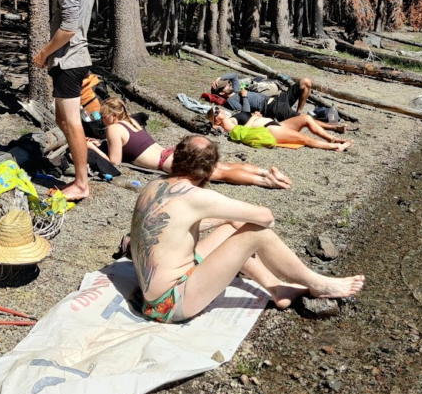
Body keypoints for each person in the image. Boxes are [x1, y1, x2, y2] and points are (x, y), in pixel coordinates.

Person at [130, 136, 364, 322]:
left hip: (152, 297)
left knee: (232, 227)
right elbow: (265, 217)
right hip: (172, 303)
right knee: (255, 232)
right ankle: (317, 283)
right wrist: (258, 226)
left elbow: (175, 229)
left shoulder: (154, 185)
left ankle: (278, 290)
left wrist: (226, 221)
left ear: (176, 157)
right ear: (211, 170)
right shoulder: (196, 196)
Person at [91, 97, 292, 189]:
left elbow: (114, 161)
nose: (102, 119)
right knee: (221, 166)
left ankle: (266, 181)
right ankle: (265, 172)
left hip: (166, 162)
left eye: (103, 115)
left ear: (110, 114)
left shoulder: (114, 128)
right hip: (169, 152)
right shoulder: (132, 121)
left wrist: (93, 148)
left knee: (218, 174)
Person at [27, 0, 95, 202]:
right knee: (62, 121)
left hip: (70, 60)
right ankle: (81, 173)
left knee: (71, 122)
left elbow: (68, 29)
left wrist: (44, 53)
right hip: (71, 60)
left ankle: (81, 184)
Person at [208, 105, 353, 152]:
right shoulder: (226, 122)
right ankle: (334, 146)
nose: (219, 110)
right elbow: (243, 132)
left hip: (274, 124)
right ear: (216, 121)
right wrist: (253, 118)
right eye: (216, 112)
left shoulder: (230, 117)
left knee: (306, 118)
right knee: (305, 139)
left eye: (217, 109)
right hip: (268, 129)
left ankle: (332, 137)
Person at [211, 73, 316, 123]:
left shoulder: (237, 90)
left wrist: (220, 77)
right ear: (221, 92)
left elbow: (233, 76)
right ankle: (331, 126)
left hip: (278, 99)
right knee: (305, 120)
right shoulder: (231, 100)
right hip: (271, 107)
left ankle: (299, 110)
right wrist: (245, 96)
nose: (229, 84)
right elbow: (245, 112)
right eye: (226, 85)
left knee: (305, 82)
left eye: (228, 83)